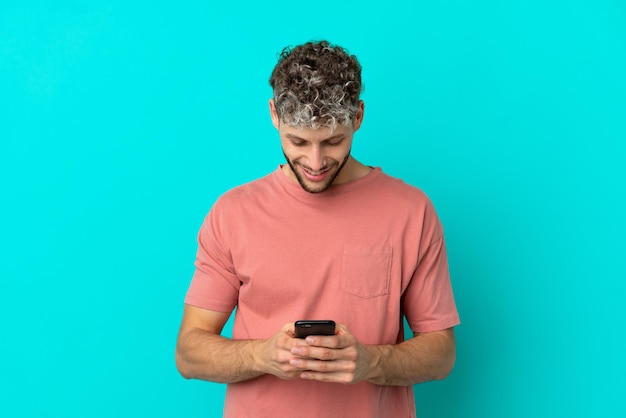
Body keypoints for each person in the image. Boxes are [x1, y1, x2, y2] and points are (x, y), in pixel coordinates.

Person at [176, 40, 460, 418]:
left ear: (358, 117)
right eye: (297, 141)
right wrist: (261, 355)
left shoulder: (412, 211)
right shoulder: (233, 213)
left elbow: (441, 355)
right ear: (274, 115)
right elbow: (189, 353)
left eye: (333, 141)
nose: (314, 162)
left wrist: (370, 362)